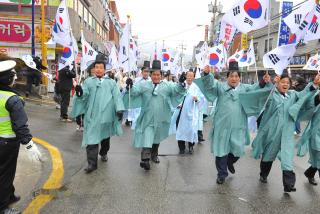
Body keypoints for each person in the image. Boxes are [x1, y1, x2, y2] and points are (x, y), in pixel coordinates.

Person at [240, 73, 320, 192]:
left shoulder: (292, 95)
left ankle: (289, 185)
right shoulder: (272, 95)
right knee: (268, 156)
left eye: (288, 83)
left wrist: (314, 84)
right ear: (278, 83)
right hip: (272, 132)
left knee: (287, 158)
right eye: (283, 82)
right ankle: (263, 174)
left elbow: (304, 95)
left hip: (287, 132)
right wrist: (270, 85)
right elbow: (263, 95)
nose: (285, 85)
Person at [194, 62, 272, 184]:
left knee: (238, 149)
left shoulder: (244, 88)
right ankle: (221, 174)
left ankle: (230, 162)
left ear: (239, 77)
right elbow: (209, 86)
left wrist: (263, 82)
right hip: (222, 125)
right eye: (231, 76)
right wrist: (207, 74)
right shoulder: (220, 87)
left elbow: (255, 89)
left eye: (236, 76)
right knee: (221, 150)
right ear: (227, 77)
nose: (234, 78)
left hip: (238, 125)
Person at [123, 60, 186, 171]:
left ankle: (154, 155)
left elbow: (177, 90)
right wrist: (130, 86)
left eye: (158, 75)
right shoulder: (144, 85)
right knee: (148, 136)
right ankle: (145, 160)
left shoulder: (167, 85)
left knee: (156, 138)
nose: (156, 76)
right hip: (147, 117)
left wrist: (181, 83)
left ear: (161, 75)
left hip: (162, 117)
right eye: (154, 74)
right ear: (151, 75)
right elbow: (134, 92)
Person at [0, 60, 42, 214]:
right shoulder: (13, 99)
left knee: (3, 172)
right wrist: (29, 144)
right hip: (7, 143)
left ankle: (9, 197)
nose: (15, 78)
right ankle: (3, 208)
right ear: (8, 79)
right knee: (6, 174)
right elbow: (20, 126)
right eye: (13, 76)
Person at [71, 59, 124, 174]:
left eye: (101, 67)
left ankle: (104, 152)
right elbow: (84, 96)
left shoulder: (111, 83)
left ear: (104, 70)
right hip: (92, 116)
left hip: (106, 115)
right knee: (91, 138)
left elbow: (117, 97)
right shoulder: (88, 82)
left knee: (105, 138)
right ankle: (92, 163)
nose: (99, 69)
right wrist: (79, 92)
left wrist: (119, 109)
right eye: (97, 67)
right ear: (94, 69)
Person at [171, 70, 205, 154]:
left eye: (191, 76)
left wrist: (197, 99)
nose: (189, 78)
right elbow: (176, 95)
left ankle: (191, 146)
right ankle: (181, 147)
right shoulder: (182, 85)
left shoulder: (196, 87)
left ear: (193, 77)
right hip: (181, 111)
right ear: (186, 76)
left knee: (192, 129)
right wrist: (178, 104)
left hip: (192, 111)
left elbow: (202, 98)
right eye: (188, 76)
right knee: (180, 129)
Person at [296, 93, 320, 186]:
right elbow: (307, 113)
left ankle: (309, 173)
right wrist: (317, 99)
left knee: (317, 160)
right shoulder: (316, 101)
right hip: (316, 135)